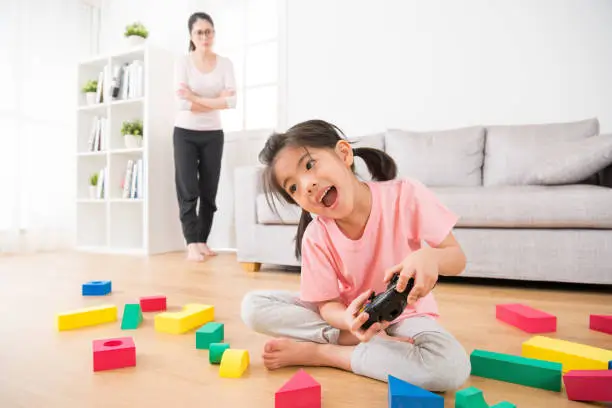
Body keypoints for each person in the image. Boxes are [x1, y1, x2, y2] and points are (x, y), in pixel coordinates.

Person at [240, 120, 471, 391]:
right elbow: (326, 305)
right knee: (253, 306)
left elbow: (457, 258)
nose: (307, 186)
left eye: (309, 165)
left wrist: (429, 257)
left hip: (407, 316)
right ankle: (356, 341)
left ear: (344, 154)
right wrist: (349, 320)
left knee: (450, 367)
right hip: (351, 319)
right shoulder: (316, 235)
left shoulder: (405, 194)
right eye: (293, 188)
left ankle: (327, 354)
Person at [173, 12, 236, 261]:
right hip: (185, 133)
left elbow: (231, 101)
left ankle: (202, 240)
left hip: (213, 134)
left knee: (209, 191)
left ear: (214, 33)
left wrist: (195, 97)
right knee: (189, 190)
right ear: (192, 35)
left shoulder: (225, 63)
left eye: (208, 31)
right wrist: (215, 100)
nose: (204, 36)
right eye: (199, 32)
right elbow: (182, 105)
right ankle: (191, 242)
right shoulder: (183, 62)